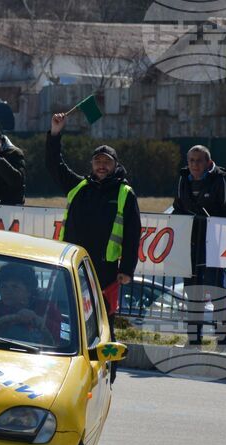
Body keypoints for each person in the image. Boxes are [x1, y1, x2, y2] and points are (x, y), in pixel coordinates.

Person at [48, 112, 141, 381]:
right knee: (66, 319)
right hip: (72, 267)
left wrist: (127, 269)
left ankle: (107, 375)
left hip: (104, 272)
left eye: (106, 162)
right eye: (97, 161)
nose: (101, 165)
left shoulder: (124, 193)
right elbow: (54, 164)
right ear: (91, 164)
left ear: (115, 165)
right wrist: (55, 133)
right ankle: (67, 371)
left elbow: (133, 233)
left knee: (103, 325)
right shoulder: (79, 186)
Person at [172, 145, 226, 346]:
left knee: (216, 292)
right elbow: (178, 208)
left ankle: (223, 339)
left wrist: (208, 223)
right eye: (191, 160)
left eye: (199, 160)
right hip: (190, 246)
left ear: (208, 163)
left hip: (214, 247)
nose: (195, 164)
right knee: (192, 293)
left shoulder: (222, 182)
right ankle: (194, 339)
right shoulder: (183, 180)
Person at [0, 264, 62, 346]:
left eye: (15, 287)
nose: (7, 291)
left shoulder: (46, 309)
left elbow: (55, 341)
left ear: (29, 290)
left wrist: (36, 318)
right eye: (4, 286)